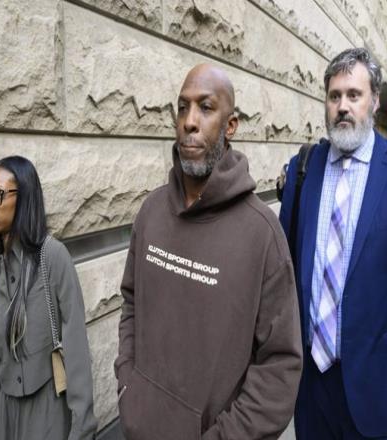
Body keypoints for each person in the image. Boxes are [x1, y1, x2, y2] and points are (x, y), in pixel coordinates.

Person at [114, 64, 303, 439]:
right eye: (182, 107)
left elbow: (280, 365)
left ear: (230, 126)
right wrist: (128, 386)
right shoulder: (151, 212)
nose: (189, 121)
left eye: (205, 107)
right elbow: (131, 302)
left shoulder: (262, 234)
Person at [279, 47, 387, 440]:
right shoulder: (303, 170)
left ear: (375, 101)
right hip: (313, 392)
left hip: (384, 394)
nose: (343, 107)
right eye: (334, 96)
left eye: (354, 94)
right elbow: (283, 275)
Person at [0, 156, 97, 439]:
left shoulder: (53, 257)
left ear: (24, 197)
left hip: (49, 415)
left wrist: (82, 430)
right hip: (7, 420)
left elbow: (77, 351)